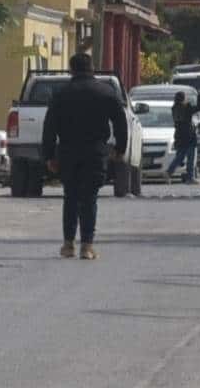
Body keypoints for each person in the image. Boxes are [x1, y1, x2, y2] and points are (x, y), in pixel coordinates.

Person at [42, 53, 128, 261]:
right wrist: (120, 147)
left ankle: (68, 244)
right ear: (92, 68)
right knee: (89, 198)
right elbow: (120, 122)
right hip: (95, 151)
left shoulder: (61, 94)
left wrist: (49, 155)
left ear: (71, 69)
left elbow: (50, 126)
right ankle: (87, 246)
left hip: (68, 151)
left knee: (70, 196)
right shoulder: (106, 92)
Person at [166, 90, 200, 185]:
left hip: (179, 135)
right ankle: (189, 177)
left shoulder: (174, 108)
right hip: (189, 135)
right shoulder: (187, 107)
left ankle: (169, 171)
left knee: (180, 157)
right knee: (191, 157)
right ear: (183, 99)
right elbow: (198, 107)